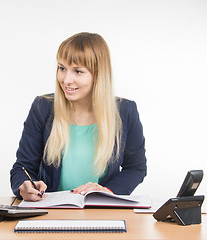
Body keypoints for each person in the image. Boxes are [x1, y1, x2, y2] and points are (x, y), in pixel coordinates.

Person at [10, 32, 147, 201]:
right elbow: (22, 167)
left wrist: (107, 191)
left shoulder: (126, 111)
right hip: (50, 212)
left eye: (78, 71)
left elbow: (136, 168)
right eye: (62, 68)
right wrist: (24, 185)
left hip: (101, 211)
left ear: (98, 74)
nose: (66, 80)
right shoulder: (43, 107)